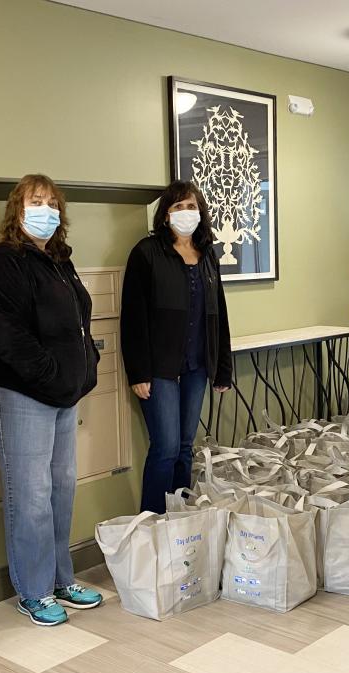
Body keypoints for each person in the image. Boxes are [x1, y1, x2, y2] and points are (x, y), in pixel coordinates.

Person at [0, 175, 103, 627]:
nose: (45, 209)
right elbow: (10, 339)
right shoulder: (3, 262)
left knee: (61, 489)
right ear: (17, 209)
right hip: (18, 394)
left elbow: (78, 325)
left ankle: (60, 578)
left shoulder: (57, 260)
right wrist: (55, 377)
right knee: (30, 496)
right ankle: (33, 590)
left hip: (61, 395)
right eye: (36, 201)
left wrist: (84, 368)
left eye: (52, 202)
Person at [121, 180, 233, 513]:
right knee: (166, 448)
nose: (186, 213)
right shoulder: (147, 253)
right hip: (159, 368)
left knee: (185, 447)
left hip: (198, 365)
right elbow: (133, 318)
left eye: (191, 206)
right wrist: (138, 371)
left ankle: (181, 519)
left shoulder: (208, 254)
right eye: (178, 207)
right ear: (165, 214)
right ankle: (152, 524)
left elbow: (219, 314)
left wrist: (222, 367)